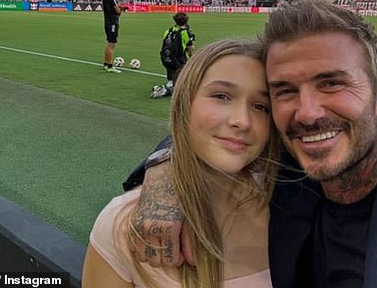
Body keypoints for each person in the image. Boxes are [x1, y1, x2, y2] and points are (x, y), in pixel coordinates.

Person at [125, 0, 377, 288]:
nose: (308, 112)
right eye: (283, 92)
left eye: (331, 83)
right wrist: (168, 169)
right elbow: (211, 130)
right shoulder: (289, 153)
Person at [83, 39, 279, 288]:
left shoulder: (293, 204)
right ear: (185, 103)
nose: (242, 120)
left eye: (262, 106)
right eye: (221, 96)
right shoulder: (122, 225)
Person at [151, 12, 196, 99]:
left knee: (173, 63)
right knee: (182, 87)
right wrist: (192, 59)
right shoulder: (185, 33)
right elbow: (190, 49)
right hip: (177, 61)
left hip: (165, 58)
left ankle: (170, 81)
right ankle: (164, 90)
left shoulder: (169, 30)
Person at [102, 0, 125, 73]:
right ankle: (110, 66)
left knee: (109, 43)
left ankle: (106, 63)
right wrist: (121, 10)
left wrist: (120, 8)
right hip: (112, 23)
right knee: (112, 43)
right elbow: (117, 11)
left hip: (108, 22)